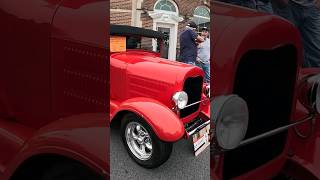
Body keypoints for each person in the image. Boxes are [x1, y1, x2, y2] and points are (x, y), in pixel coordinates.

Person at [272, 0, 320, 67]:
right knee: (286, 47)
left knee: (315, 49)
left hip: (312, 7)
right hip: (287, 6)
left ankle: (313, 74)